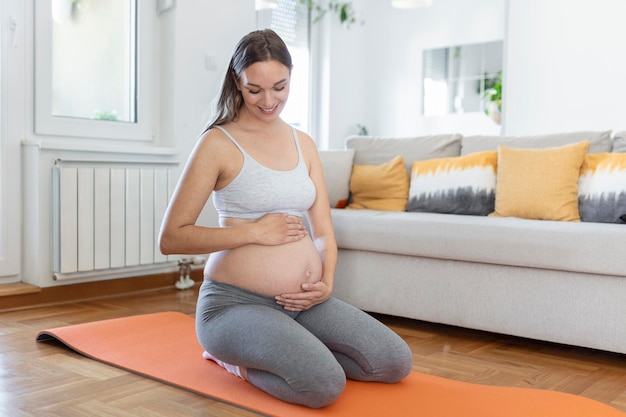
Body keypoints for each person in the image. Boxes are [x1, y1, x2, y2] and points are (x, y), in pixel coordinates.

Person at [158, 29, 412, 409]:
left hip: (304, 303)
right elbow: (172, 238)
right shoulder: (217, 143)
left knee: (393, 362)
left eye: (280, 86)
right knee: (324, 385)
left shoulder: (302, 143)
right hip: (235, 304)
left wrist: (326, 281)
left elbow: (323, 231)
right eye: (255, 89)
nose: (269, 100)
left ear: (291, 77)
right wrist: (254, 232)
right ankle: (232, 359)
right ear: (236, 81)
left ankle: (288, 347)